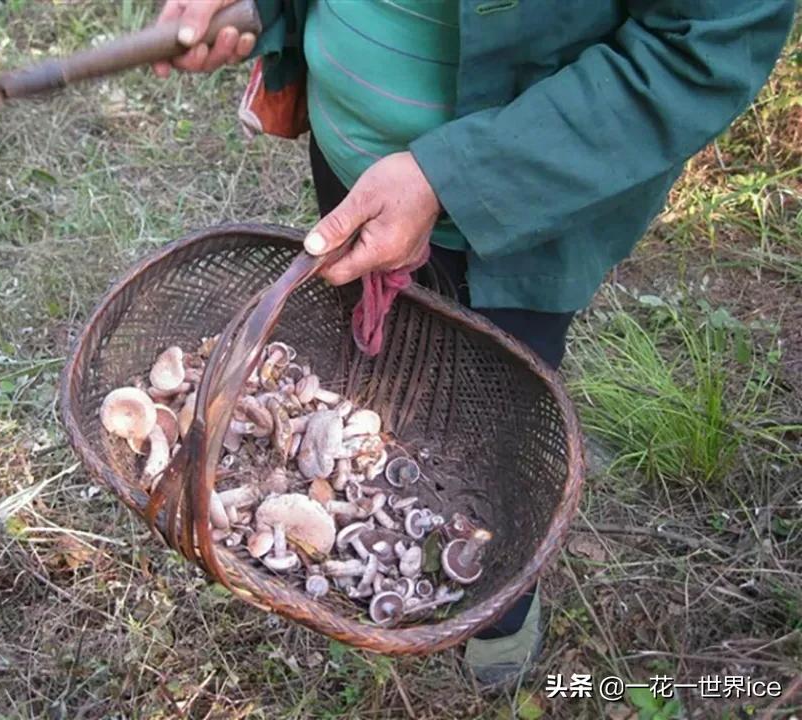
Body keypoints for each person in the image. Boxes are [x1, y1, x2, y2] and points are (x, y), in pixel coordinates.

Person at [152, 0, 795, 687]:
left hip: (521, 216)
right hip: (357, 175)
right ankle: (381, 492)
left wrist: (450, 178)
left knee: (498, 433)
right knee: (377, 378)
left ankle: (497, 601)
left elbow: (705, 44)